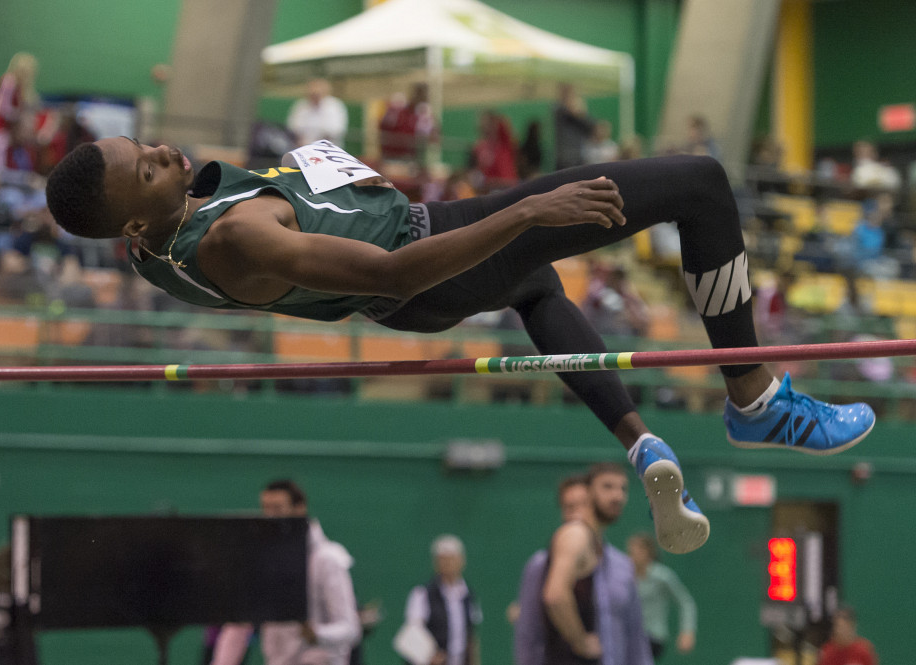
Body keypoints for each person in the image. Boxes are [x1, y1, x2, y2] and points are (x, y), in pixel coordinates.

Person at [45, 137, 878, 555]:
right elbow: (394, 274)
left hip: (418, 281)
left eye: (145, 145)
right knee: (700, 184)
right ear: (133, 218)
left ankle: (640, 441)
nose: (160, 153)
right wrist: (518, 217)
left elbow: (266, 216)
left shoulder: (151, 247)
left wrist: (312, 176)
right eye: (148, 170)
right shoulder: (235, 240)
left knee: (538, 289)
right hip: (429, 260)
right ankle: (757, 400)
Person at [211, 480, 361, 665]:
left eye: (278, 508)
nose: (270, 516)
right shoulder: (263, 560)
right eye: (266, 508)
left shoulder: (327, 559)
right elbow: (239, 627)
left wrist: (317, 634)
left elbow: (350, 629)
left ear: (299, 508)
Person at [516, 466, 652, 665]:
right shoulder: (573, 535)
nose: (617, 496)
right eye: (607, 487)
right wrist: (580, 642)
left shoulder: (619, 563)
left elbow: (634, 634)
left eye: (623, 489)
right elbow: (552, 599)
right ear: (589, 493)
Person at [402, 534, 482, 665]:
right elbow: (413, 630)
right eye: (443, 560)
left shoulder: (468, 595)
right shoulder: (422, 594)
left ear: (462, 561)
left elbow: (471, 637)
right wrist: (428, 654)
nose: (448, 564)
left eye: (452, 559)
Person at [626, 532, 696, 661]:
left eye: (638, 550)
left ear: (648, 552)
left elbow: (685, 602)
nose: (633, 554)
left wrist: (687, 631)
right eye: (631, 551)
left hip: (653, 637)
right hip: (628, 635)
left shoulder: (662, 576)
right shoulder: (624, 576)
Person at [286, 78, 348, 148]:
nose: (314, 96)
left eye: (317, 94)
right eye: (312, 94)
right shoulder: (300, 105)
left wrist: (315, 145)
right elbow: (293, 127)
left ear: (325, 92)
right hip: (302, 148)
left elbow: (335, 131)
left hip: (327, 149)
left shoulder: (335, 106)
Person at [552, 84, 594, 170]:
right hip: (564, 159)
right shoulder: (559, 110)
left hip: (578, 157)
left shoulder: (580, 117)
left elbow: (589, 127)